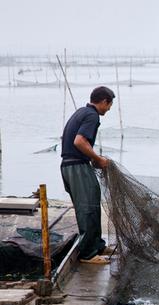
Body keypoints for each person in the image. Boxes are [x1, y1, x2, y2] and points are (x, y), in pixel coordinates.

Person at [60, 86, 116, 265]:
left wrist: (90, 158)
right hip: (76, 167)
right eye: (110, 105)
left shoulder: (82, 112)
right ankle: (87, 254)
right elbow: (79, 141)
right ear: (104, 101)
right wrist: (97, 158)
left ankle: (97, 245)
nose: (109, 109)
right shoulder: (92, 115)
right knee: (87, 208)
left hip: (73, 165)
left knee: (93, 201)